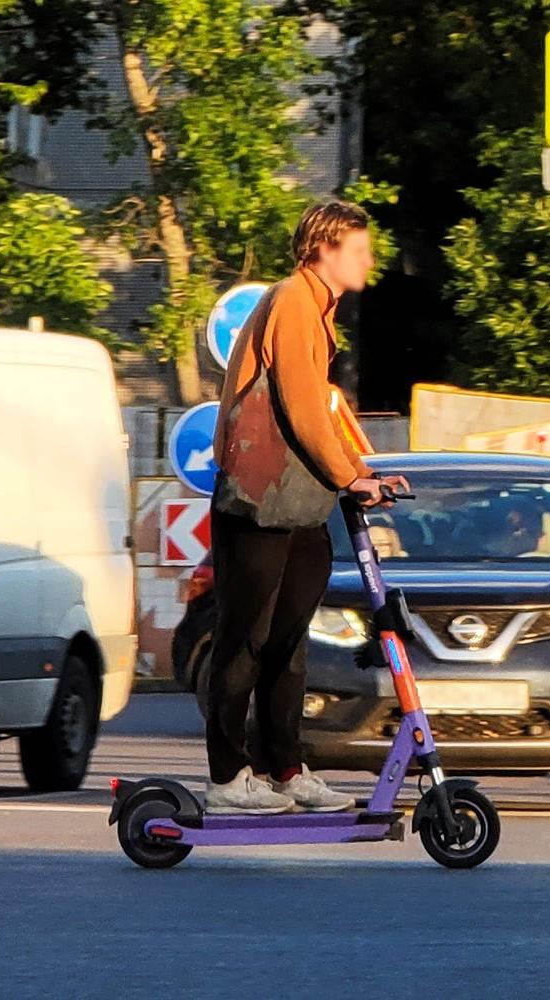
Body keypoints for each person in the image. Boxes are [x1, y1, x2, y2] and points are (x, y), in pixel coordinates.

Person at [205, 199, 408, 815]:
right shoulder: (294, 300)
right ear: (322, 250)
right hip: (260, 502)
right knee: (246, 640)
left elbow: (324, 415)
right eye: (358, 249)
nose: (368, 260)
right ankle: (227, 777)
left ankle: (284, 770)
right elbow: (295, 405)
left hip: (297, 501)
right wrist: (352, 477)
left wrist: (363, 471)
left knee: (286, 644)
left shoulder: (318, 311)